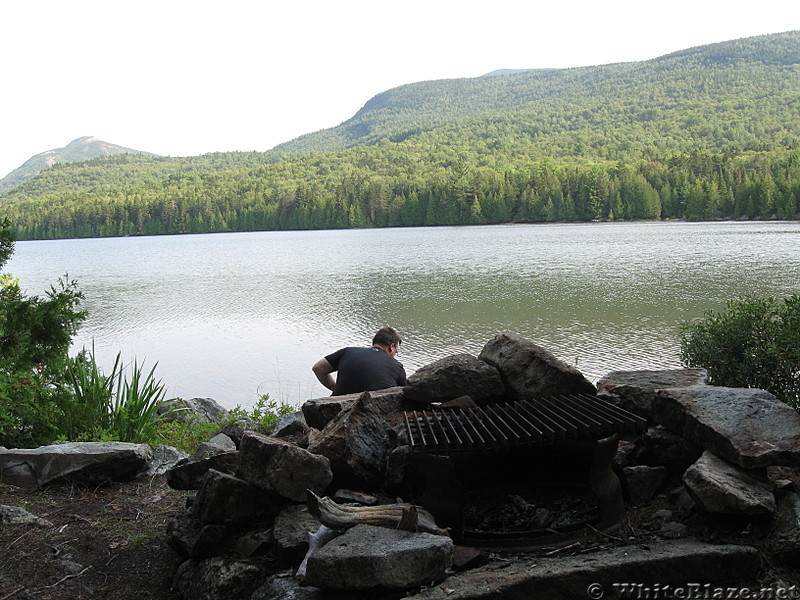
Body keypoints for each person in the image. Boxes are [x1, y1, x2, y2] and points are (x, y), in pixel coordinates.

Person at [312, 327, 407, 396]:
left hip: (336, 409)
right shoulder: (397, 367)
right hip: (371, 416)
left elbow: (318, 368)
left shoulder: (347, 351)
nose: (395, 355)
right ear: (391, 347)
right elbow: (403, 394)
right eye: (396, 352)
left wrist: (334, 387)